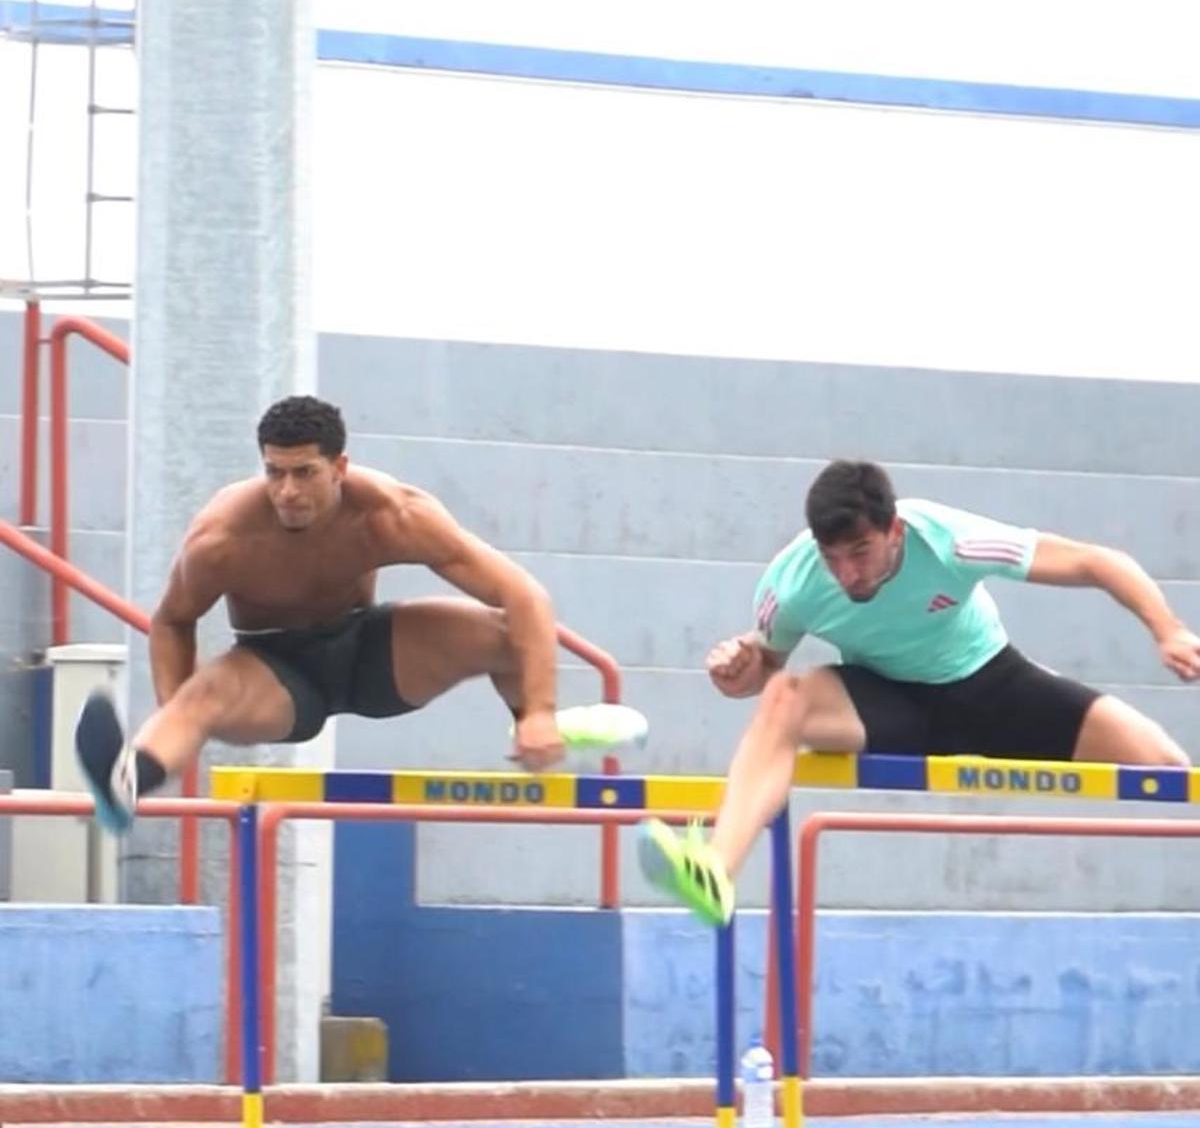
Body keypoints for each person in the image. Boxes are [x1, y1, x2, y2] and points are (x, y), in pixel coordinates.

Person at [637, 457, 1200, 926]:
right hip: (889, 702)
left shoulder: (949, 539)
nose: (848, 575)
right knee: (784, 695)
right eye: (832, 558)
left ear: (894, 532)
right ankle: (716, 870)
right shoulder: (793, 581)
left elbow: (1095, 561)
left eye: (860, 552)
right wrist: (740, 671)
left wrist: (1167, 628)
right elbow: (764, 667)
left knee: (1168, 768)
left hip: (993, 687)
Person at [75, 394, 641, 831]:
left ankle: (536, 731)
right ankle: (130, 781)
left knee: (502, 632)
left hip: (368, 651)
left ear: (339, 466)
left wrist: (540, 709)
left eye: (305, 473)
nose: (287, 492)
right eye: (274, 473)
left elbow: (525, 597)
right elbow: (173, 621)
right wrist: (181, 722)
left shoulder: (394, 514)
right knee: (200, 697)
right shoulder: (223, 538)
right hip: (275, 669)